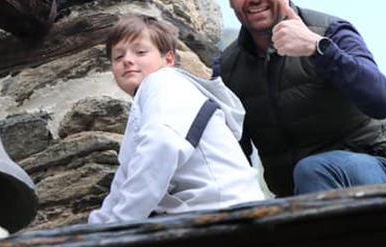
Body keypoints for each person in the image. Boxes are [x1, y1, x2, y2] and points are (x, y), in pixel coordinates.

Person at [215, 0, 386, 197]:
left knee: (313, 170)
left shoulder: (330, 32)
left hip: (383, 172)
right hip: (297, 198)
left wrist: (318, 48)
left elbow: (383, 102)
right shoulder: (228, 70)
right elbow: (232, 160)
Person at [87, 15, 263, 224]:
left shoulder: (164, 82)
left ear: (168, 59)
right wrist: (97, 229)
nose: (127, 60)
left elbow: (162, 145)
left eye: (140, 52)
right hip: (213, 217)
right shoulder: (148, 106)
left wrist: (114, 227)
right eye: (118, 57)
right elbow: (125, 182)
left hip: (224, 217)